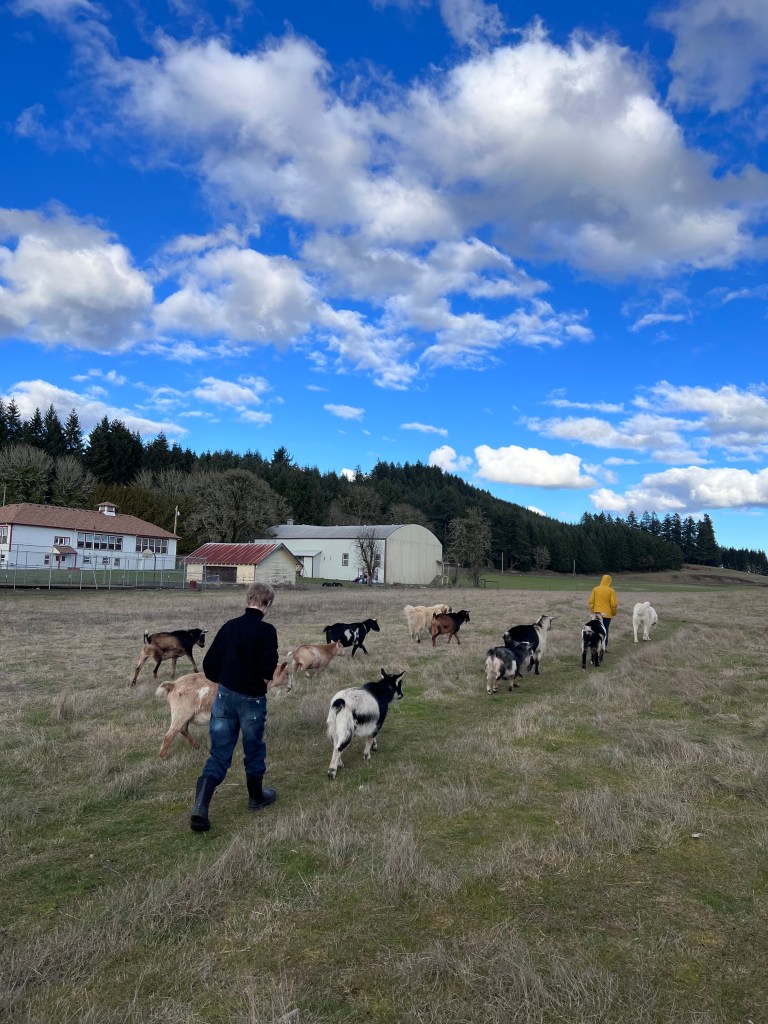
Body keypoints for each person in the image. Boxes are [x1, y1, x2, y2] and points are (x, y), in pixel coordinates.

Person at [190, 582, 279, 833]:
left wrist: (227, 681)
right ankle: (256, 797)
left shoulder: (229, 626)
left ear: (248, 599)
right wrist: (258, 682)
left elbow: (209, 664)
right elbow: (268, 669)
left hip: (225, 698)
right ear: (267, 604)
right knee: (254, 749)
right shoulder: (267, 631)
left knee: (219, 754)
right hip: (253, 701)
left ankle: (200, 806)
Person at [589, 573, 618, 648]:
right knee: (605, 630)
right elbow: (614, 604)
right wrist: (613, 613)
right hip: (607, 615)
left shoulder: (595, 589)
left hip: (597, 614)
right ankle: (603, 648)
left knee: (596, 630)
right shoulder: (611, 591)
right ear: (610, 581)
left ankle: (595, 646)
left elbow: (591, 602)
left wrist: (593, 612)